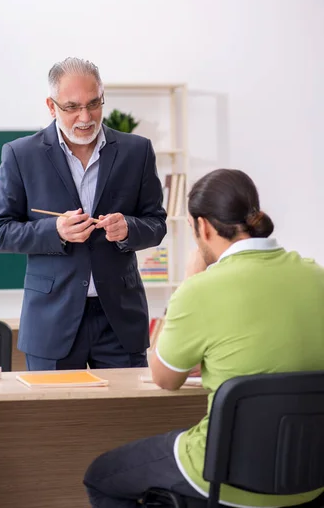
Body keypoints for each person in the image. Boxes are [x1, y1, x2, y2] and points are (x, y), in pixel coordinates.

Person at [84, 168, 324, 508]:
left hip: (224, 476)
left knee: (102, 477)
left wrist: (188, 281)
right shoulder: (317, 275)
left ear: (204, 226)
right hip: (309, 479)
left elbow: (164, 378)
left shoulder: (201, 289)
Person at [0, 57, 166, 370]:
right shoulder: (21, 154)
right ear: (51, 105)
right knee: (55, 419)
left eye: (94, 103)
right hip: (51, 321)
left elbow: (156, 223)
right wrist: (54, 230)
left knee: (125, 418)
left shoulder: (136, 151)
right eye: (72, 107)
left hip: (120, 321)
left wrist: (129, 229)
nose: (85, 117)